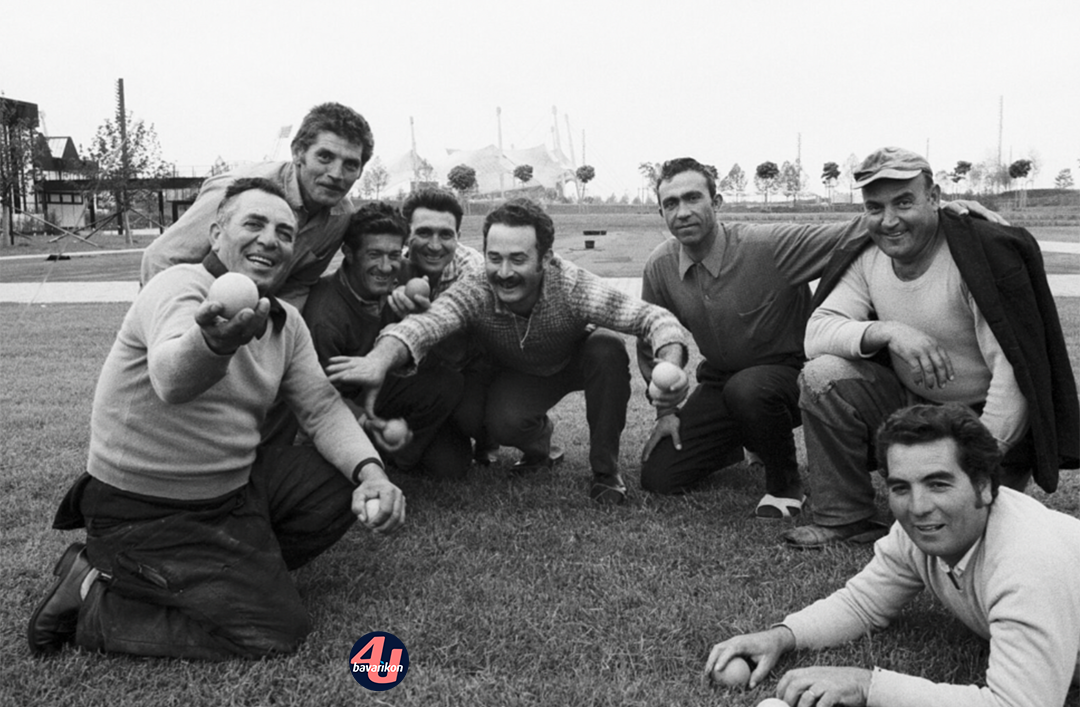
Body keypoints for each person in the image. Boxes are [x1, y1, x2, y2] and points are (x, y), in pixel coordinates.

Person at [27, 178, 405, 660]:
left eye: (285, 233)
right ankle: (93, 595)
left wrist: (370, 473)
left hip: (231, 491)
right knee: (277, 631)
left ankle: (228, 575)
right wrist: (213, 345)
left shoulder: (285, 321)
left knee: (337, 478)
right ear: (216, 234)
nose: (271, 239)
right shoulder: (178, 288)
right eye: (254, 223)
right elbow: (170, 379)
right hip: (146, 505)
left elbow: (322, 406)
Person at [637, 157, 1005, 519]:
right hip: (721, 379)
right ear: (660, 214)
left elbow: (856, 229)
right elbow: (651, 334)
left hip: (788, 374)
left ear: (716, 203)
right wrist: (665, 412)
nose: (682, 211)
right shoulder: (660, 265)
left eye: (692, 198)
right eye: (671, 203)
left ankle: (784, 487)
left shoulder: (766, 245)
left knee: (749, 389)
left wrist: (940, 211)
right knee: (660, 476)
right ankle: (736, 441)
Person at [783, 146, 1080, 548]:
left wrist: (974, 460)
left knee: (980, 533)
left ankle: (975, 483)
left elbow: (1015, 373)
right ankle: (846, 518)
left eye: (904, 202)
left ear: (935, 198)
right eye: (875, 207)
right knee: (823, 375)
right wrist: (889, 331)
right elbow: (816, 334)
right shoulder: (866, 256)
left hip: (982, 418)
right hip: (912, 407)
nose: (889, 221)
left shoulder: (978, 254)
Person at [706, 403, 1080, 707]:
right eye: (901, 487)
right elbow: (862, 603)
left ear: (983, 487)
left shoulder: (1028, 561)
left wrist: (870, 686)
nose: (917, 507)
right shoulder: (916, 533)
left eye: (938, 483)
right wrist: (782, 637)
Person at [326, 197, 690, 505]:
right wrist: (379, 359)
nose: (503, 272)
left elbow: (653, 318)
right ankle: (540, 448)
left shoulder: (573, 285)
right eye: (494, 257)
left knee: (607, 347)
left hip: (574, 361)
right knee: (500, 422)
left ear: (545, 258)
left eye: (518, 259)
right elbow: (425, 325)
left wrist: (671, 364)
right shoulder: (476, 287)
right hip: (522, 374)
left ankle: (606, 472)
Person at [141, 102, 374, 309]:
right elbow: (161, 258)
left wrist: (274, 340)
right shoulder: (238, 191)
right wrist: (173, 332)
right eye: (325, 157)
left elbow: (299, 283)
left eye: (350, 165)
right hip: (194, 312)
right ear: (298, 152)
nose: (336, 174)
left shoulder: (341, 216)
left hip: (251, 320)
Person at [303, 200, 471, 479]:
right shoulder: (325, 317)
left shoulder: (409, 275)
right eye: (374, 254)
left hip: (398, 392)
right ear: (349, 252)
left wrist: (419, 317)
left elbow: (442, 353)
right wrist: (374, 424)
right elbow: (320, 400)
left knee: (454, 464)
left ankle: (400, 456)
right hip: (349, 405)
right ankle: (375, 453)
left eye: (394, 254)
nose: (386, 267)